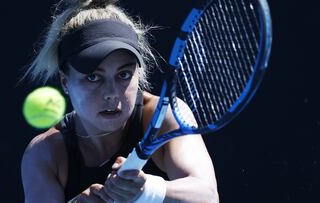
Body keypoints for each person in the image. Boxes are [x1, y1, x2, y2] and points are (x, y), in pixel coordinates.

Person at [21, 0, 219, 202]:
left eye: (123, 74)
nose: (111, 93)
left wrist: (148, 190)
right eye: (93, 77)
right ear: (65, 82)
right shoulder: (45, 154)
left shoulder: (163, 117)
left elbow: (208, 196)